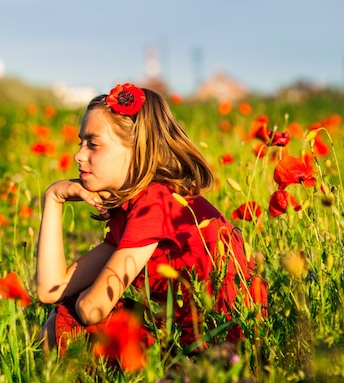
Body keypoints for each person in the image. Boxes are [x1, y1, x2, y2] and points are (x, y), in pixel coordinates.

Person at [35, 83, 267, 354]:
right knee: (63, 317)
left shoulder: (156, 204)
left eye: (93, 144)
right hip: (193, 338)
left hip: (219, 352)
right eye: (80, 143)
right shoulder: (136, 206)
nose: (79, 155)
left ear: (137, 150)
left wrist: (75, 306)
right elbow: (51, 290)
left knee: (65, 322)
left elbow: (92, 309)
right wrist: (54, 198)